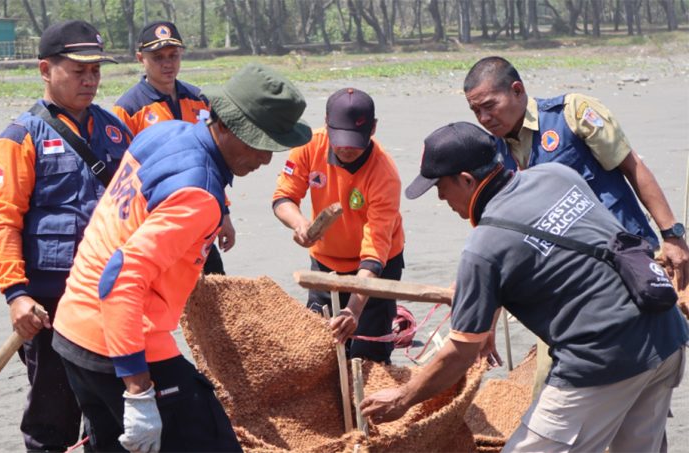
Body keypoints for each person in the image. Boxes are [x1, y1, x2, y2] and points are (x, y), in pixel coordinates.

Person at [360, 122, 687, 452]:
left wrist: (402, 398)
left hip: (602, 358)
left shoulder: (482, 247)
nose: (441, 197)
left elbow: (460, 354)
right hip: (665, 333)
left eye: (440, 186)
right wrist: (483, 307)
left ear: (466, 180)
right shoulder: (557, 175)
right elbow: (556, 254)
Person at [51, 63, 312, 452]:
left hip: (74, 329)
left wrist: (218, 206)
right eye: (261, 144)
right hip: (122, 343)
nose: (265, 160)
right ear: (227, 126)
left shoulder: (164, 133)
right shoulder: (197, 196)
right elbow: (120, 278)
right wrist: (139, 393)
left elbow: (159, 192)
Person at [463, 56, 689, 394]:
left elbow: (633, 168)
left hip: (627, 265)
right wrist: (486, 324)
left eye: (489, 106)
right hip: (566, 284)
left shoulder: (573, 115)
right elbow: (501, 245)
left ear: (517, 90)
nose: (484, 118)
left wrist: (671, 235)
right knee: (552, 386)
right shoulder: (493, 156)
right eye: (476, 112)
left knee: (638, 383)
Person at [0, 20, 131, 451]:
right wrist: (15, 294)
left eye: (96, 71)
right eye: (78, 70)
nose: (90, 80)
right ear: (45, 70)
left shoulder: (116, 129)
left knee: (115, 414)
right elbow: (2, 222)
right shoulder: (18, 139)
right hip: (50, 303)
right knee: (53, 415)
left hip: (112, 294)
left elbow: (136, 206)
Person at [272, 87, 405, 364]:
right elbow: (283, 197)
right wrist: (299, 224)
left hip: (375, 268)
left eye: (355, 141)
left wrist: (354, 310)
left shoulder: (385, 174)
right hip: (325, 263)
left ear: (373, 129)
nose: (345, 148)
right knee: (323, 351)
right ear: (326, 123)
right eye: (339, 139)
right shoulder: (309, 145)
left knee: (369, 356)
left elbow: (374, 254)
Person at [113, 20, 233, 275]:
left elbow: (216, 162)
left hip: (202, 218)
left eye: (173, 56)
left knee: (215, 295)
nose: (167, 64)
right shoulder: (128, 109)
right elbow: (119, 176)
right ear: (140, 58)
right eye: (158, 57)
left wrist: (225, 213)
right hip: (157, 220)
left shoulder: (199, 100)